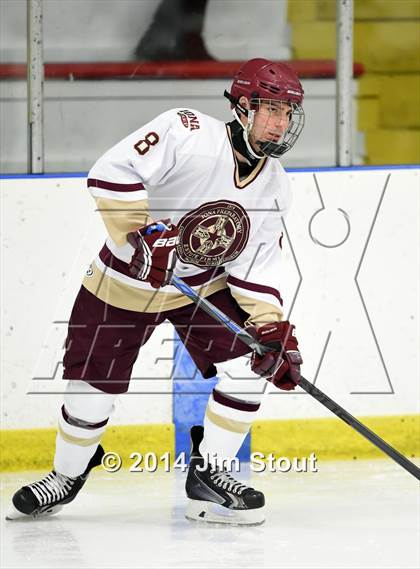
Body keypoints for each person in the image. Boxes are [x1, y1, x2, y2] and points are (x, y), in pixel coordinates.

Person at [7, 58, 305, 526]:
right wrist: (139, 237)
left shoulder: (275, 185)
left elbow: (256, 264)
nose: (280, 124)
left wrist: (270, 327)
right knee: (90, 394)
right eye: (271, 110)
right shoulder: (185, 131)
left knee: (251, 363)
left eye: (288, 114)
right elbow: (113, 169)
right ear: (243, 108)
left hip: (200, 288)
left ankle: (211, 477)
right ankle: (65, 476)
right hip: (124, 284)